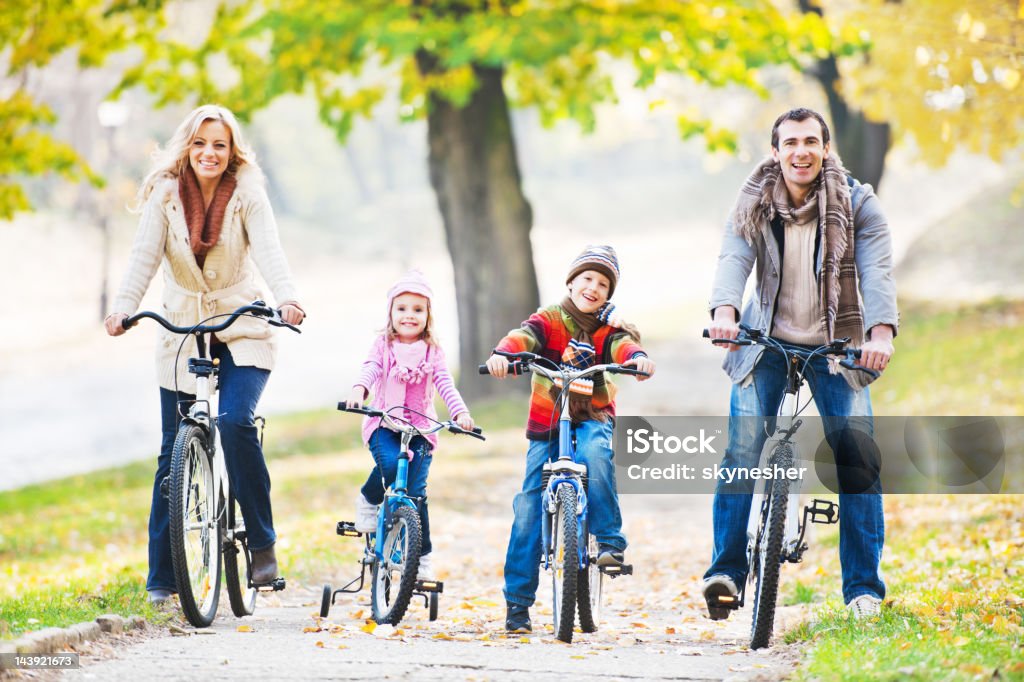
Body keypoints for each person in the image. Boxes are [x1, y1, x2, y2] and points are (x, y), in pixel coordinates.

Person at [104, 104, 305, 604]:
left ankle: (261, 543)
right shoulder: (165, 195)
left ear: (232, 149)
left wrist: (288, 298)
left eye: (219, 144)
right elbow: (144, 257)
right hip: (183, 327)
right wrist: (124, 308)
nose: (209, 153)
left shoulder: (248, 194)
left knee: (236, 422)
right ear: (186, 147)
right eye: (200, 143)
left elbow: (270, 251)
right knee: (173, 449)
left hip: (242, 323)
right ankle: (163, 578)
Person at [701, 107, 897, 619]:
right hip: (764, 338)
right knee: (742, 449)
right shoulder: (754, 202)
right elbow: (733, 257)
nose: (801, 151)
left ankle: (863, 592)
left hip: (837, 345)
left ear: (826, 148)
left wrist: (880, 334)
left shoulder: (857, 204)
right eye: (790, 143)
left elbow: (877, 271)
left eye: (811, 141)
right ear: (775, 152)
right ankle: (725, 571)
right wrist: (724, 314)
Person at [485, 245, 656, 633]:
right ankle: (518, 605)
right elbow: (523, 337)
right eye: (587, 279)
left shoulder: (610, 328)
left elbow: (623, 347)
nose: (593, 288)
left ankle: (610, 542)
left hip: (593, 415)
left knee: (597, 454)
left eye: (602, 283)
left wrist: (637, 357)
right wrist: (502, 355)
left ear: (609, 292)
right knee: (528, 505)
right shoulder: (550, 319)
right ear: (572, 281)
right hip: (547, 422)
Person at [347, 269, 475, 581]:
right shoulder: (383, 346)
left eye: (418, 310)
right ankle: (368, 497)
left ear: (428, 315)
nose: (409, 315)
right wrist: (358, 391)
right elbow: (371, 369)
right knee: (390, 465)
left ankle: (421, 556)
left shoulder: (433, 350)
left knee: (417, 495)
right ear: (390, 312)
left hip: (421, 429)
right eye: (402, 308)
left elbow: (445, 384)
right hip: (384, 424)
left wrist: (460, 413)